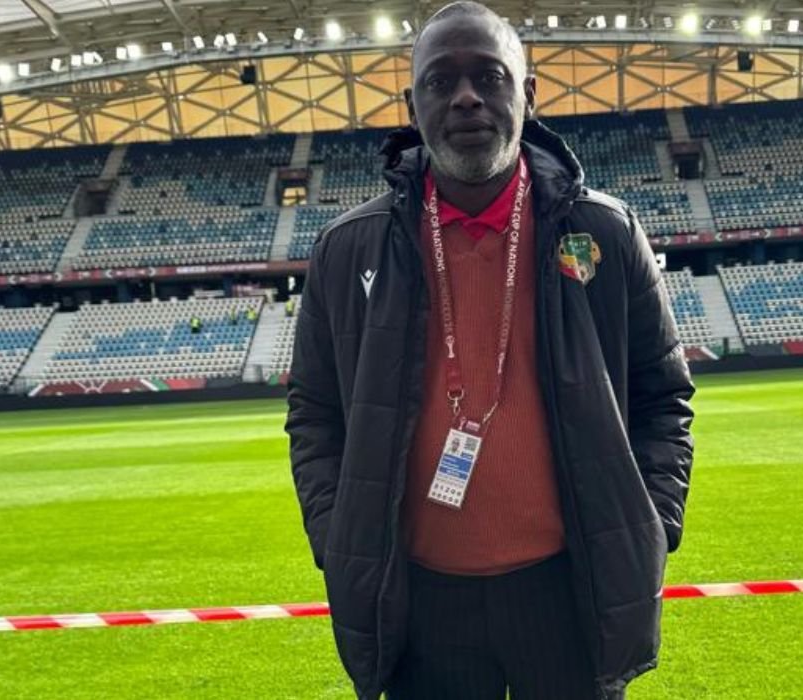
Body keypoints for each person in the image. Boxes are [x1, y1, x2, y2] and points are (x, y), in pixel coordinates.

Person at [286, 3, 695, 699]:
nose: (467, 97)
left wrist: (650, 525)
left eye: (489, 76)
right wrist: (339, 536)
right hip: (419, 607)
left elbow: (664, 398)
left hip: (570, 596)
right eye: (441, 82)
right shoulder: (347, 249)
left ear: (528, 95)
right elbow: (314, 414)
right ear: (412, 107)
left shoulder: (604, 231)